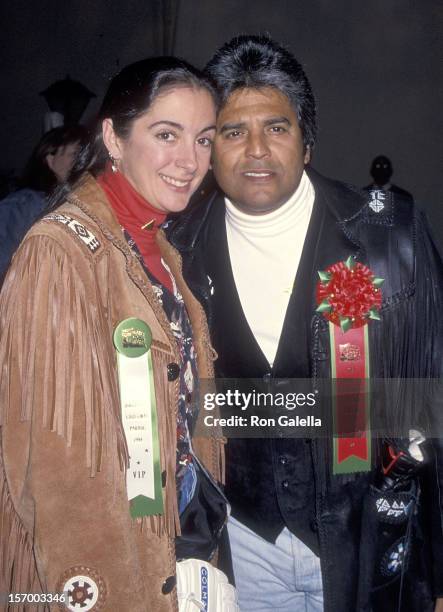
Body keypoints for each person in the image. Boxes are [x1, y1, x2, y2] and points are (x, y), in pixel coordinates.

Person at [165, 35, 443, 612]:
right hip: (240, 541)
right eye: (234, 132)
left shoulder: (390, 237)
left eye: (278, 127)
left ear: (307, 142)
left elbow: (430, 406)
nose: (257, 150)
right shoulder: (177, 247)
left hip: (364, 540)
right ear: (210, 150)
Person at [0, 57, 228, 612]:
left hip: (167, 551)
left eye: (204, 139)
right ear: (114, 137)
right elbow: (58, 479)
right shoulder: (61, 251)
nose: (189, 161)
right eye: (166, 134)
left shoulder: (161, 246)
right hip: (104, 572)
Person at [0, 125, 86, 281]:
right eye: (75, 154)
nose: (83, 162)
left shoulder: (84, 207)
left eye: (86, 155)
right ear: (50, 160)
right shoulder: (23, 204)